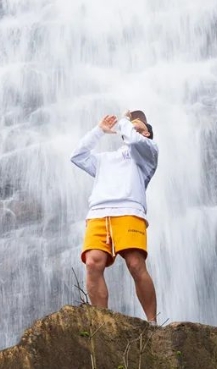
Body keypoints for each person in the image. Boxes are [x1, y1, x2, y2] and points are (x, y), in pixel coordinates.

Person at [71, 109, 158, 322]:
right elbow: (77, 156)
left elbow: (135, 140)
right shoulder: (105, 160)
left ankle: (152, 323)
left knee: (135, 264)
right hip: (99, 213)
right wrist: (99, 131)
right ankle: (103, 322)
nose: (134, 125)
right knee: (92, 263)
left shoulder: (147, 153)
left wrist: (126, 122)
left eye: (141, 126)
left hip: (129, 210)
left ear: (146, 134)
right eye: (132, 124)